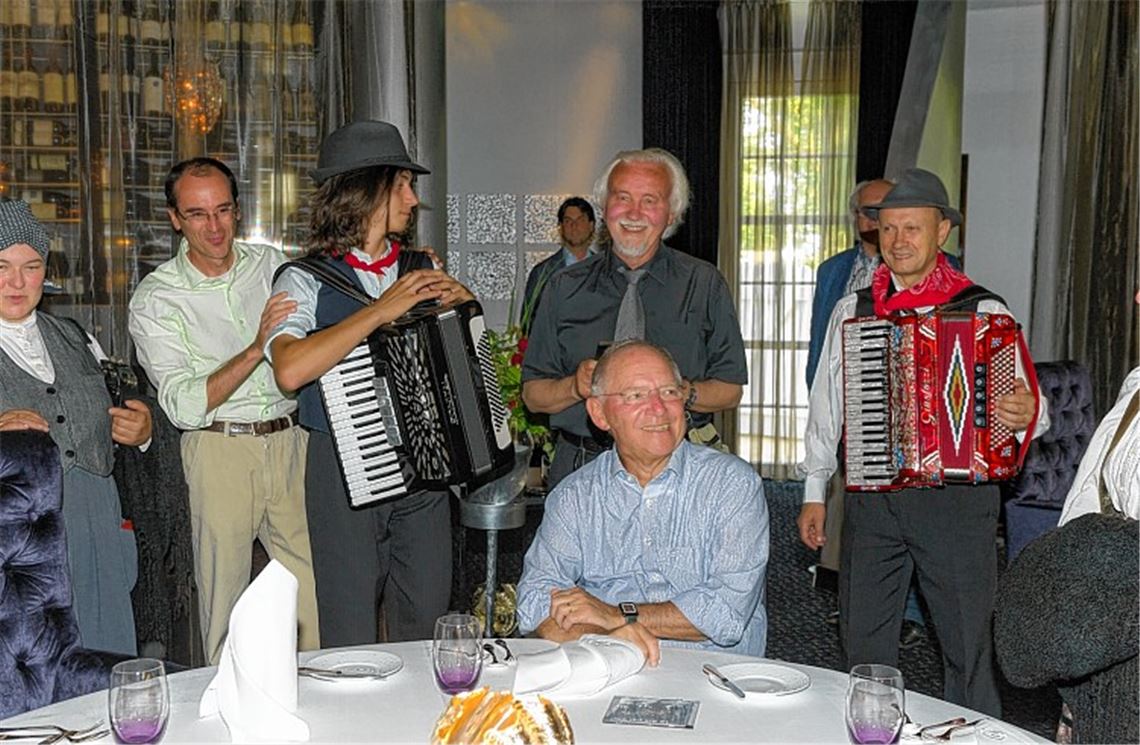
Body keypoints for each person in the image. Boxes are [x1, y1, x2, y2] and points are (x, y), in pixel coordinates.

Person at [796, 168, 1050, 717]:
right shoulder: (855, 310)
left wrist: (1024, 413)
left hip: (956, 504)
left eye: (912, 228)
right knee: (863, 636)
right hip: (872, 496)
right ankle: (871, 728)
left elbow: (1036, 411)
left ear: (942, 232)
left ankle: (973, 733)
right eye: (888, 229)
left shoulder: (984, 311)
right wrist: (815, 490)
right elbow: (826, 406)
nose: (898, 241)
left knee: (968, 645)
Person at [266, 120, 474, 647]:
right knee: (349, 627)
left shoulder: (421, 267)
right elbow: (289, 370)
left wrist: (464, 306)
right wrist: (381, 311)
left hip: (426, 468)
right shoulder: (303, 279)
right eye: (402, 185)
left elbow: (459, 355)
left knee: (426, 622)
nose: (413, 200)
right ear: (367, 189)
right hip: (340, 471)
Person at [128, 157, 320, 664]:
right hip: (218, 449)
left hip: (291, 440)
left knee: (312, 598)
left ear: (237, 210)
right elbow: (184, 404)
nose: (213, 226)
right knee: (225, 608)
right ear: (175, 219)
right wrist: (257, 347)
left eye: (223, 210)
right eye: (197, 214)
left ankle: (319, 701)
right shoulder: (156, 298)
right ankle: (223, 704)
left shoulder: (272, 265)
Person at [517, 340, 769, 664]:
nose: (659, 408)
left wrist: (615, 615)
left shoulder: (732, 485)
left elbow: (725, 613)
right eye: (636, 395)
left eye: (669, 392)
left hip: (712, 673)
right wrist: (607, 638)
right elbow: (535, 603)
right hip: (613, 666)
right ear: (599, 413)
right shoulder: (575, 497)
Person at [522, 148, 747, 487]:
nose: (634, 213)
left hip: (678, 469)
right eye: (622, 198)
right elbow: (533, 395)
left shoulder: (704, 284)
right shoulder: (562, 287)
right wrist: (574, 387)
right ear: (604, 207)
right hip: (582, 469)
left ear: (671, 214)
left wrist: (683, 392)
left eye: (650, 201)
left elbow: (730, 390)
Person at [0, 199, 150, 655]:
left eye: (31, 267)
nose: (17, 282)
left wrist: (143, 432)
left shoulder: (76, 337)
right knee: (31, 663)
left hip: (96, 522)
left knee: (106, 653)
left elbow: (121, 412)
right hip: (17, 536)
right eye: (2, 266)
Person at [807, 178, 952, 649]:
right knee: (861, 570)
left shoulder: (966, 294)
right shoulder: (838, 278)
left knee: (959, 622)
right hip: (860, 436)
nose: (891, 234)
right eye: (879, 220)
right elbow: (823, 351)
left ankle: (910, 613)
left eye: (909, 225)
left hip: (940, 476)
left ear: (939, 232)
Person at [521, 197, 596, 331]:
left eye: (580, 220)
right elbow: (528, 323)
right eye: (568, 221)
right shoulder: (542, 273)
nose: (574, 226)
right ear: (561, 228)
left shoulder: (607, 269)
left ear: (591, 226)